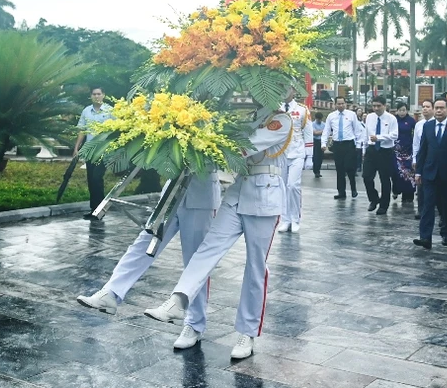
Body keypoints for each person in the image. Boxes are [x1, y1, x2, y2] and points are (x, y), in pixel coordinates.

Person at [143, 109, 292, 360]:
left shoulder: (281, 120)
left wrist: (201, 144)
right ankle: (178, 301)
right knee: (207, 248)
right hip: (237, 192)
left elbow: (243, 149)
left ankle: (247, 332)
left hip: (265, 197)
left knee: (255, 267)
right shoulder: (246, 116)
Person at [77, 173, 220, 349]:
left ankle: (194, 325)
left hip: (200, 198)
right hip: (172, 193)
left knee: (195, 262)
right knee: (144, 243)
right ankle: (111, 292)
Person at [413, 98, 447, 248]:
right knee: (427, 205)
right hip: (430, 173)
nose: (438, 111)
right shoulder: (428, 126)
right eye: (436, 108)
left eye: (441, 108)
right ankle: (425, 237)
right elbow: (422, 150)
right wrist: (418, 172)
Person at [74, 86, 113, 220]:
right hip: (90, 151)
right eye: (94, 94)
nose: (96, 96)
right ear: (91, 96)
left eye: (99, 94)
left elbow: (115, 130)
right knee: (91, 180)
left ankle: (100, 210)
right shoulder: (86, 111)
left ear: (103, 95)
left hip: (103, 151)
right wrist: (76, 148)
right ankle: (94, 210)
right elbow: (82, 130)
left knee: (97, 178)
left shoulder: (110, 111)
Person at [277, 91, 313, 234]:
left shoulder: (302, 109)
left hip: (297, 151)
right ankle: (285, 220)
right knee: (283, 187)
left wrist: (309, 156)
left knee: (293, 185)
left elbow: (308, 132)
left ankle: (295, 219)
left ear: (293, 90)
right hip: (280, 153)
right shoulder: (275, 107)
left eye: (287, 88)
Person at [320, 97, 363, 200]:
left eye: (342, 103)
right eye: (338, 104)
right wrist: (323, 143)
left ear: (345, 104)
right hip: (337, 145)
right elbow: (326, 131)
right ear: (335, 104)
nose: (340, 105)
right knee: (339, 169)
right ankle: (341, 192)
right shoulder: (331, 116)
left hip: (349, 144)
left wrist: (358, 145)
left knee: (349, 168)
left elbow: (358, 130)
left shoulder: (351, 115)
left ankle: (353, 189)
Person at [363, 96, 399, 214]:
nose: (376, 108)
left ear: (384, 106)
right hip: (371, 150)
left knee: (385, 179)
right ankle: (373, 198)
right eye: (374, 106)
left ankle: (384, 205)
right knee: (367, 176)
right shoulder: (369, 117)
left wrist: (379, 138)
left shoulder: (391, 118)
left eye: (379, 106)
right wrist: (364, 149)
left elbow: (394, 135)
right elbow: (366, 133)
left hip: (385, 150)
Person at [412, 99, 434, 220]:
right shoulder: (419, 125)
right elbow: (416, 144)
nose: (425, 109)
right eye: (423, 106)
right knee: (420, 186)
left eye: (428, 106)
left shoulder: (436, 123)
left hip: (434, 158)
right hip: (422, 158)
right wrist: (414, 159)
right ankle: (421, 210)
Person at [392, 102, 416, 204]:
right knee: (396, 173)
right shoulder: (393, 120)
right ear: (397, 110)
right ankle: (396, 190)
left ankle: (408, 195)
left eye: (404, 110)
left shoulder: (411, 121)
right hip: (395, 151)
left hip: (408, 151)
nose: (402, 112)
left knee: (409, 174)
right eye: (400, 110)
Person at [311, 112, 325, 178]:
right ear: (316, 118)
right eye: (318, 119)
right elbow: (315, 133)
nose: (319, 120)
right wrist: (323, 131)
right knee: (315, 157)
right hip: (315, 141)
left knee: (320, 157)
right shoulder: (312, 124)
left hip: (321, 142)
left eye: (320, 119)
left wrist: (321, 132)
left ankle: (318, 170)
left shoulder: (324, 124)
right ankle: (315, 171)